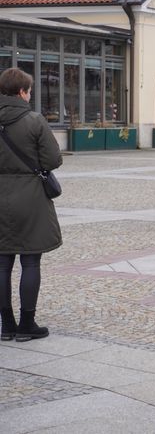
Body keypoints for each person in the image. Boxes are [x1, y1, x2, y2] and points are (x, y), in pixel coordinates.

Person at [0, 67, 62, 342]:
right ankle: (27, 323)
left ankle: (6, 325)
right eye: (29, 91)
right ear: (23, 91)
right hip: (30, 197)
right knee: (30, 261)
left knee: (2, 263)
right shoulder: (34, 120)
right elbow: (53, 160)